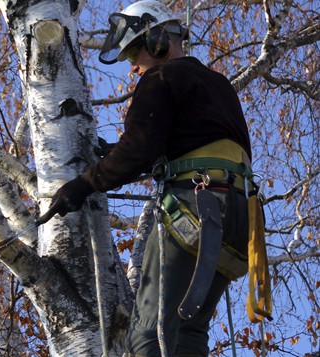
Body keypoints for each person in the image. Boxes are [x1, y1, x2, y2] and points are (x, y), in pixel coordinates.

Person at [38, 1, 253, 356]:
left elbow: (140, 148)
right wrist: (118, 153)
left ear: (157, 42)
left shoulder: (161, 77)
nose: (133, 67)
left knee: (150, 335)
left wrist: (83, 184)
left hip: (196, 210)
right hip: (238, 217)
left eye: (135, 52)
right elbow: (182, 141)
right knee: (188, 332)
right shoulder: (219, 86)